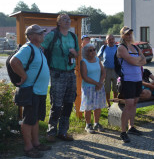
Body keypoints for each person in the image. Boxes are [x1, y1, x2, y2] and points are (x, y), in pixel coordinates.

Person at [10, 24, 51, 158]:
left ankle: (36, 143)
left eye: (42, 32)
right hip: (31, 90)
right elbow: (14, 62)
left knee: (35, 119)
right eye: (39, 33)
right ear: (31, 36)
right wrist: (24, 76)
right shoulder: (28, 48)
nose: (42, 35)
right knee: (28, 120)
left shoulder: (38, 49)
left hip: (39, 91)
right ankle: (28, 148)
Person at [42, 13, 79, 142]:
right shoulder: (52, 35)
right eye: (64, 19)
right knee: (56, 103)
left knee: (69, 103)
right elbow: (42, 49)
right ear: (58, 23)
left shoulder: (73, 36)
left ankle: (63, 132)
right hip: (57, 73)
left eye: (69, 19)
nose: (68, 21)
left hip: (70, 73)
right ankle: (51, 132)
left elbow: (77, 54)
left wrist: (75, 54)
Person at [117, 26, 146, 143]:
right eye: (127, 34)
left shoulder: (135, 47)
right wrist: (138, 60)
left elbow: (144, 61)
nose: (129, 36)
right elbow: (132, 61)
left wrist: (138, 60)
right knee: (128, 105)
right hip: (127, 80)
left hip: (137, 79)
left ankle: (131, 127)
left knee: (134, 103)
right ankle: (123, 132)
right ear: (122, 35)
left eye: (130, 34)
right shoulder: (121, 47)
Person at [80, 43, 106, 134]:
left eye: (94, 49)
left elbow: (103, 72)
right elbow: (84, 76)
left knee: (98, 106)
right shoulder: (84, 61)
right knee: (88, 107)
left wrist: (101, 82)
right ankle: (88, 125)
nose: (93, 52)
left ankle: (97, 123)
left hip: (98, 86)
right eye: (90, 50)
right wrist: (96, 83)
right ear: (85, 52)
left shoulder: (97, 59)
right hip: (88, 87)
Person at [97, 34, 118, 108]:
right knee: (107, 89)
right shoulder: (104, 47)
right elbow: (98, 57)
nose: (111, 40)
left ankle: (115, 104)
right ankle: (109, 105)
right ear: (106, 41)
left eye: (112, 39)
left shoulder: (118, 47)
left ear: (114, 40)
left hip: (116, 71)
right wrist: (100, 67)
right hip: (106, 71)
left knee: (116, 88)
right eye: (109, 39)